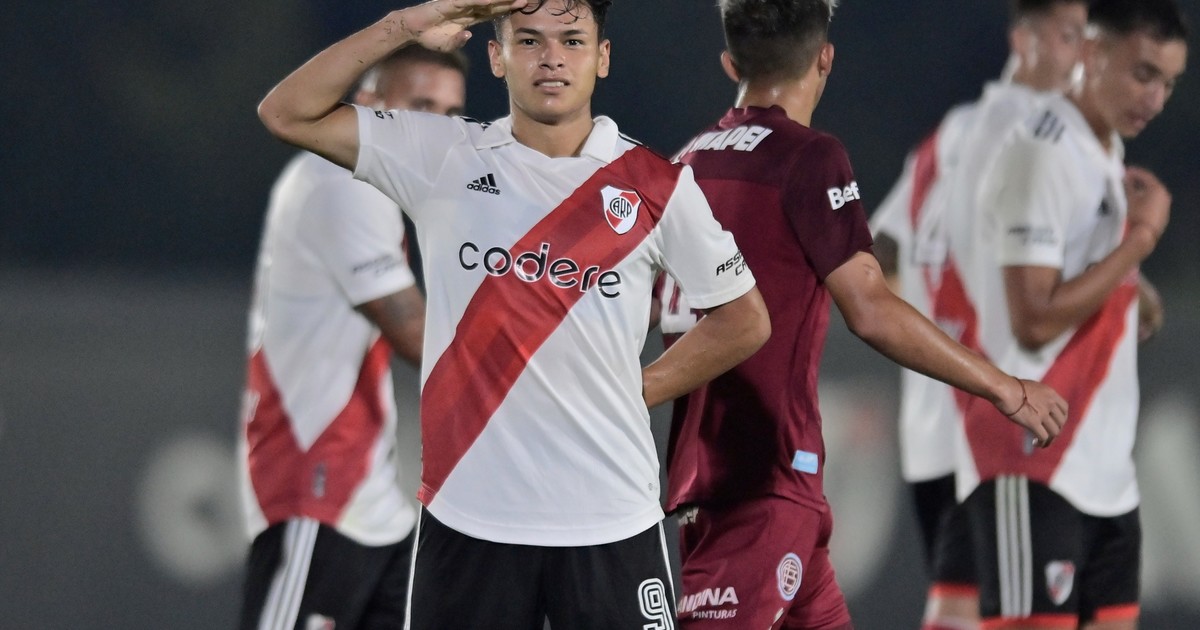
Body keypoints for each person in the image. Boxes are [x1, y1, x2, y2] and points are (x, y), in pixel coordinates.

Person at [257, 1, 772, 628]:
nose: (552, 58)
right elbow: (287, 112)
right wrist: (406, 25)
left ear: (603, 57)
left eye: (573, 40)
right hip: (467, 521)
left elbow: (743, 317)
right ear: (496, 57)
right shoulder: (444, 155)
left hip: (612, 520)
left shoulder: (658, 185)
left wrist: (638, 389)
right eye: (529, 40)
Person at [654, 1, 1067, 628]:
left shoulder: (685, 162)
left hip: (716, 479)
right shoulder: (806, 157)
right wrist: (1004, 387)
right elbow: (870, 308)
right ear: (825, 59)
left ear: (730, 63)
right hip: (761, 483)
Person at [944, 0, 1187, 627]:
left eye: (1169, 82)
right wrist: (1140, 241)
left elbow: (1079, 271)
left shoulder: (1101, 148)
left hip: (1105, 472)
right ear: (1091, 52)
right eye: (1142, 73)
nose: (1155, 98)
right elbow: (1034, 320)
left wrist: (1133, 288)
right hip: (1033, 456)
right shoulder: (1042, 151)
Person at [870, 1, 1088, 626]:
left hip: (931, 424)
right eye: (1070, 36)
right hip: (1003, 420)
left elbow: (881, 249)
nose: (1083, 55)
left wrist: (932, 332)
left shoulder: (949, 134)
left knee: (962, 604)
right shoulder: (1046, 136)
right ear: (1023, 39)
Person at [236, 45, 468, 630]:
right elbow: (415, 333)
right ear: (367, 104)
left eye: (451, 114)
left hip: (366, 495)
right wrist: (538, 366)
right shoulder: (339, 181)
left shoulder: (377, 189)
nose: (437, 129)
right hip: (314, 479)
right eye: (421, 106)